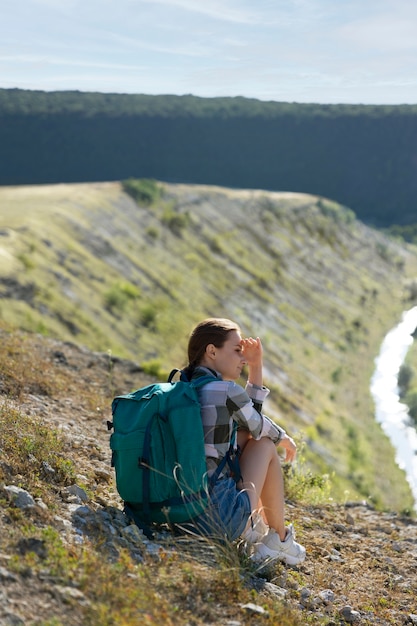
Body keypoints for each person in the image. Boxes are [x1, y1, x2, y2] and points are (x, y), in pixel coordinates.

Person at [182, 317, 306, 566]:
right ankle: (279, 541)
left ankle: (254, 527)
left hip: (182, 515)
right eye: (237, 351)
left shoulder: (184, 388)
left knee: (243, 437)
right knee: (265, 445)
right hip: (217, 518)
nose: (242, 359)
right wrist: (285, 439)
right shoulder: (225, 391)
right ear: (212, 351)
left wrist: (254, 364)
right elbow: (259, 428)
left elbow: (247, 424)